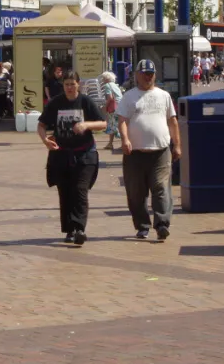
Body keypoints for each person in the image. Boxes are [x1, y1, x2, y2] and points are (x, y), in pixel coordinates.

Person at [115, 59, 180, 242]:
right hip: (134, 153)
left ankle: (162, 225)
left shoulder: (164, 96)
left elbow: (172, 122)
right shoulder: (129, 97)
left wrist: (178, 145)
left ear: (155, 75)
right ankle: (142, 226)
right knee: (136, 192)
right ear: (137, 75)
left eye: (150, 74)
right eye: (144, 74)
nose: (147, 77)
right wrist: (125, 140)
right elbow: (122, 122)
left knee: (161, 189)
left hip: (160, 151)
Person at [38, 70, 105, 246]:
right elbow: (41, 125)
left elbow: (103, 123)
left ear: (78, 84)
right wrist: (45, 140)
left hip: (85, 154)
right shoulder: (56, 103)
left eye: (72, 84)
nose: (69, 87)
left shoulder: (86, 102)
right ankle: (69, 229)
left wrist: (86, 124)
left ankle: (80, 228)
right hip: (61, 154)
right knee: (65, 192)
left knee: (80, 190)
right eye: (66, 84)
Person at [99, 71, 123, 151]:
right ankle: (110, 143)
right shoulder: (115, 85)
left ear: (106, 79)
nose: (102, 80)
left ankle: (124, 143)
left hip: (114, 108)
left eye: (103, 78)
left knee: (114, 125)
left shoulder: (107, 85)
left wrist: (105, 107)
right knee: (113, 125)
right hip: (120, 106)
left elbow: (110, 98)